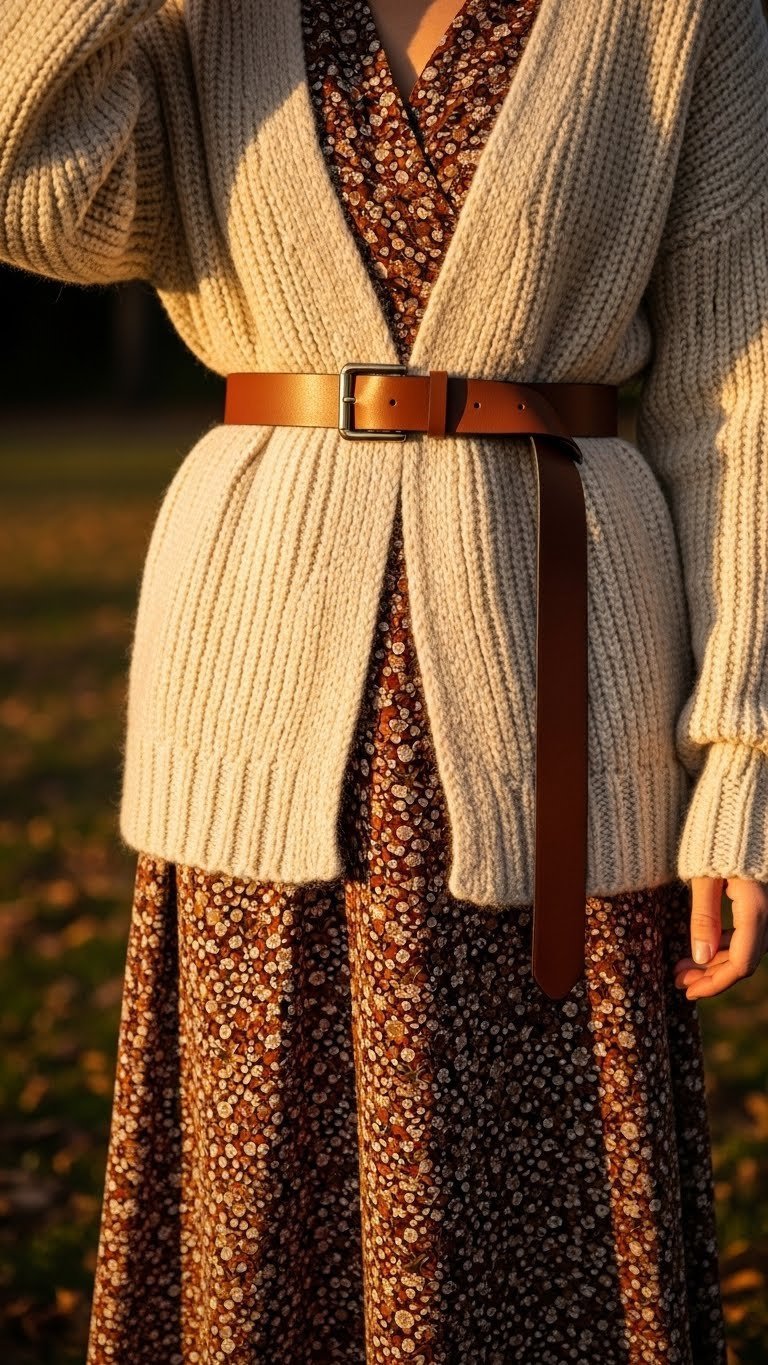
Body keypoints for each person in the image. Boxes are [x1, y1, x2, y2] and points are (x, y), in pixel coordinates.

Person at [1, 0, 766, 1359]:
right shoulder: (194, 16)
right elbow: (29, 184)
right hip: (263, 691)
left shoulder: (680, 14)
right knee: (257, 1230)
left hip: (561, 691)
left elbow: (740, 392)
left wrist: (744, 762)